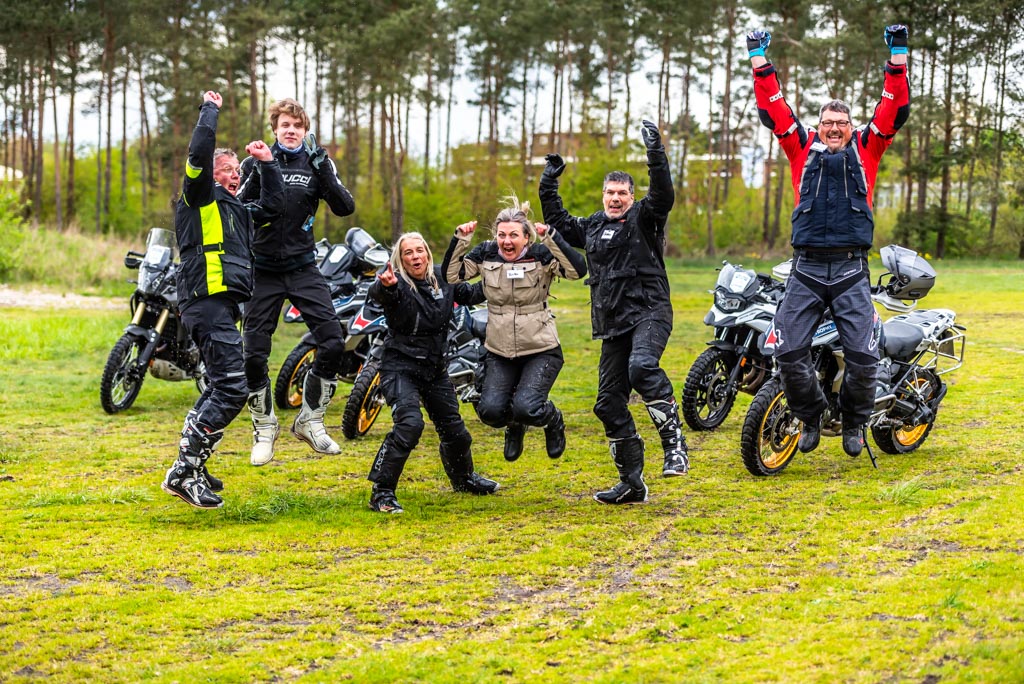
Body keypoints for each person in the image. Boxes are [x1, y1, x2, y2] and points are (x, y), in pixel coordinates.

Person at [746, 25, 910, 457]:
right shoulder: (801, 146)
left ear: (852, 127)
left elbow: (894, 109)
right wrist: (759, 60)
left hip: (852, 269)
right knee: (787, 352)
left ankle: (855, 423)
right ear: (817, 127)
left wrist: (897, 56)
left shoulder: (867, 148)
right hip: (807, 269)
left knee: (863, 357)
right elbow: (774, 108)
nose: (834, 129)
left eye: (841, 123)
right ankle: (811, 416)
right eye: (828, 123)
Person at [538, 120, 688, 505]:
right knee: (607, 403)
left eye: (622, 192)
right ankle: (631, 483)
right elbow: (558, 224)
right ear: (602, 195)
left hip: (650, 312)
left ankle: (675, 446)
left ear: (632, 196)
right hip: (613, 324)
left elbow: (664, 195)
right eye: (610, 192)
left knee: (642, 367)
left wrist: (655, 154)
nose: (615, 198)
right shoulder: (592, 226)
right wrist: (548, 182)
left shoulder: (645, 218)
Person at [162, 90, 284, 509]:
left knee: (219, 384)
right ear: (210, 173)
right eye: (228, 169)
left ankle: (194, 466)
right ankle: (183, 471)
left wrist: (266, 164)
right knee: (233, 388)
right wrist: (209, 110)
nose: (234, 175)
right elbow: (199, 150)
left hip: (224, 306)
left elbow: (273, 203)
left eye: (237, 170)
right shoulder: (199, 196)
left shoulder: (237, 208)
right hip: (205, 300)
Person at [237, 98, 356, 466]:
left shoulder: (317, 161)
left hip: (304, 267)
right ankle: (264, 426)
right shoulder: (254, 161)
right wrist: (259, 172)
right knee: (253, 352)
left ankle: (311, 420)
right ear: (275, 129)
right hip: (264, 270)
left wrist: (324, 172)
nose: (291, 131)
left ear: (305, 131)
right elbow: (238, 210)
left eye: (298, 126)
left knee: (335, 342)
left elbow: (344, 207)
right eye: (285, 125)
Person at [441, 197, 587, 462]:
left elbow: (577, 271)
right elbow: (452, 276)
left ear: (526, 237)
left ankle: (552, 419)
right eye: (501, 235)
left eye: (513, 235)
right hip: (500, 349)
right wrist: (460, 240)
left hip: (540, 349)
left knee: (527, 407)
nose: (507, 241)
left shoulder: (541, 256)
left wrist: (552, 238)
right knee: (490, 412)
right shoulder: (486, 254)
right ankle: (514, 425)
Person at [366, 232, 499, 514]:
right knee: (410, 425)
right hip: (399, 368)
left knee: (457, 433)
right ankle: (382, 492)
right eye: (408, 253)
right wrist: (385, 286)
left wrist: (502, 274)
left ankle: (463, 480)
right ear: (400, 260)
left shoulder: (444, 278)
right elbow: (378, 294)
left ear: (427, 253)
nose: (415, 257)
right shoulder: (397, 283)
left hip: (435, 370)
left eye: (419, 251)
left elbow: (473, 293)